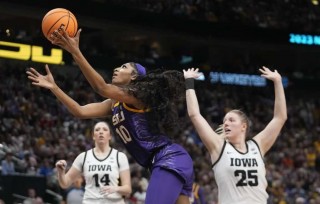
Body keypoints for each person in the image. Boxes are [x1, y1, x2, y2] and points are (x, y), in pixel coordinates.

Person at [26, 28, 194, 204]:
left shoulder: (138, 95)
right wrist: (55, 88)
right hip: (164, 163)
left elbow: (101, 88)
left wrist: (75, 51)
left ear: (134, 76)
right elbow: (79, 111)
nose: (116, 68)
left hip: (168, 159)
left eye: (123, 67)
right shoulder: (114, 103)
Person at [183, 67, 287, 204]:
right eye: (224, 121)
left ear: (244, 126)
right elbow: (195, 115)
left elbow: (280, 118)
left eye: (231, 120)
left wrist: (278, 82)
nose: (226, 123)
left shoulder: (257, 145)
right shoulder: (219, 147)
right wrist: (189, 82)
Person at [55, 121, 131, 204]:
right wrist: (61, 172)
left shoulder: (120, 156)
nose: (101, 132)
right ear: (93, 136)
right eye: (97, 130)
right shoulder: (83, 157)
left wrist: (116, 188)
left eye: (105, 129)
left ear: (110, 136)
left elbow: (128, 190)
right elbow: (65, 184)